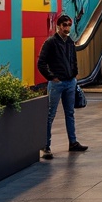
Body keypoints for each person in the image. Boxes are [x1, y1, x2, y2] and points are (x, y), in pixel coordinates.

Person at [36, 14, 87, 159]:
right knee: (50, 115)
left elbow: (74, 60)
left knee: (70, 113)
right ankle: (46, 146)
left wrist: (74, 74)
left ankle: (73, 142)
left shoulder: (70, 42)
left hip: (70, 82)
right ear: (58, 26)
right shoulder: (51, 42)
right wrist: (51, 77)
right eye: (64, 25)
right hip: (56, 84)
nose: (67, 27)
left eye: (69, 25)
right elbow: (41, 63)